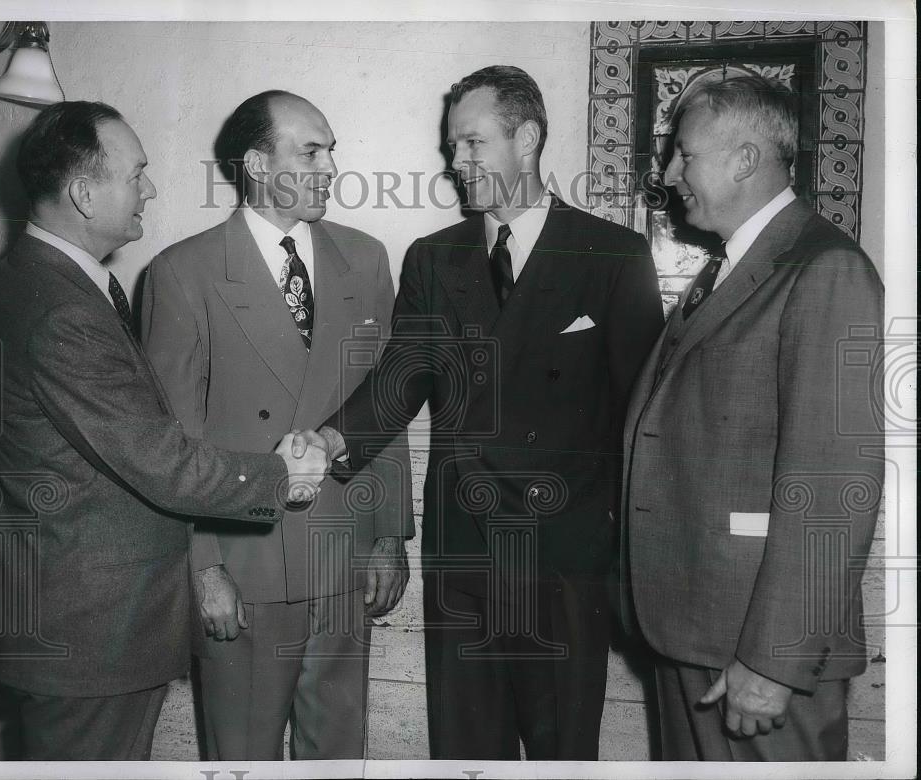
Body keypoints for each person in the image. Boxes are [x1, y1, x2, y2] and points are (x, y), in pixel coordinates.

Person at [295, 65, 665, 759]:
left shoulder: (613, 256)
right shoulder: (435, 258)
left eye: (471, 144)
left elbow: (645, 418)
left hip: (564, 559)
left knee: (561, 754)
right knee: (467, 753)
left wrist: (628, 557)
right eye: (451, 147)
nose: (456, 163)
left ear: (525, 139)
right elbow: (401, 378)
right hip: (464, 553)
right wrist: (329, 441)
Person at [0, 100, 328, 761]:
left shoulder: (44, 281)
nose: (151, 189)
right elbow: (157, 459)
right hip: (90, 637)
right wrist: (285, 475)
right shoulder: (61, 309)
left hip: (86, 626)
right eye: (136, 173)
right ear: (84, 193)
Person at [141, 91, 413, 760]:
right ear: (259, 163)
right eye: (311, 151)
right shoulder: (183, 272)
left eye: (331, 151)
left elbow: (384, 406)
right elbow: (171, 442)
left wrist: (389, 537)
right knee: (243, 755)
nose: (330, 168)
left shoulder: (366, 258)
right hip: (246, 564)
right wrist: (204, 570)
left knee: (338, 754)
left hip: (344, 559)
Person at [620, 74, 884, 761]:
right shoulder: (728, 268)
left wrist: (773, 663)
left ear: (744, 158)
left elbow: (832, 488)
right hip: (693, 628)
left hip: (757, 654)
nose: (671, 173)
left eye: (684, 154)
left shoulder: (825, 268)